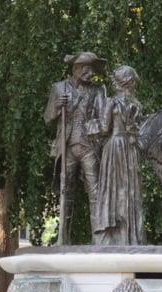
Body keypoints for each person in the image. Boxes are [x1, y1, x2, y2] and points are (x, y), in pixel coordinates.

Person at [44, 52, 107, 244]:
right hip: (68, 146)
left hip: (89, 147)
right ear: (77, 69)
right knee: (66, 191)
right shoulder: (59, 88)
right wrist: (56, 107)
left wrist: (92, 128)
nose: (91, 74)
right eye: (87, 70)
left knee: (95, 192)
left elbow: (104, 120)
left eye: (92, 71)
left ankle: (99, 239)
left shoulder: (98, 91)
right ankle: (63, 239)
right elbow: (47, 118)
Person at [95, 66, 146, 245]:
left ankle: (112, 233)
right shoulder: (136, 104)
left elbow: (103, 129)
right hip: (130, 148)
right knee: (130, 190)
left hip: (114, 147)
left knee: (113, 189)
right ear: (130, 83)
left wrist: (89, 126)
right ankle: (130, 237)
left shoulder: (111, 102)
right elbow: (139, 130)